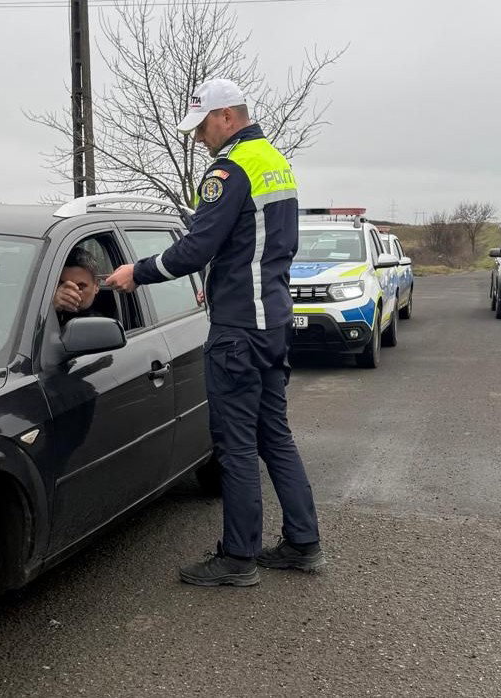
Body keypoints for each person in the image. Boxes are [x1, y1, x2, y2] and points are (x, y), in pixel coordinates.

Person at [105, 78, 323, 587]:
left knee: (236, 445)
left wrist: (136, 272)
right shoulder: (274, 160)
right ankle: (302, 542)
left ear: (226, 116)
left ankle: (238, 558)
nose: (200, 137)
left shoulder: (228, 169)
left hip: (238, 330)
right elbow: (250, 245)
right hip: (271, 319)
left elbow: (195, 248)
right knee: (275, 436)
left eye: (202, 126)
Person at [53, 248, 104, 325]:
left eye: (80, 287)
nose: (71, 293)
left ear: (96, 286)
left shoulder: (101, 324)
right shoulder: (40, 308)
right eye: (63, 285)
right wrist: (51, 309)